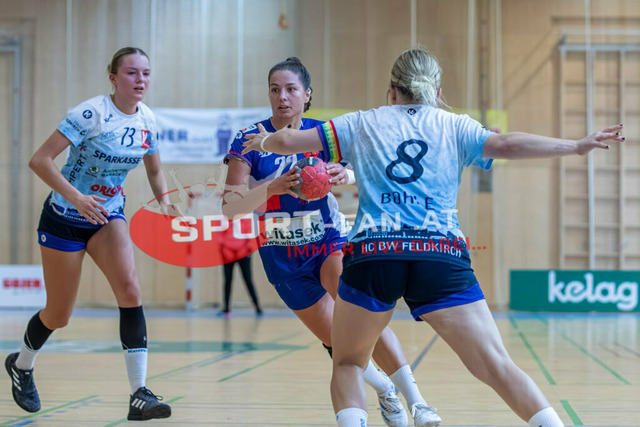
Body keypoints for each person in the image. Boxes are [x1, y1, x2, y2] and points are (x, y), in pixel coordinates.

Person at [241, 48, 625, 427]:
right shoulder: (456, 125)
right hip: (439, 255)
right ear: (437, 92)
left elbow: (288, 142)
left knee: (348, 363)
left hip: (374, 253)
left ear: (391, 91)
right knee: (496, 365)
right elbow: (508, 144)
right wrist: (575, 146)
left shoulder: (361, 122)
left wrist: (262, 143)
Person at [223, 57, 440, 427]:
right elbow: (230, 207)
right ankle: (385, 389)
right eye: (275, 89)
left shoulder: (322, 134)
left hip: (327, 240)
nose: (282, 96)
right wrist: (271, 188)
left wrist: (346, 172)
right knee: (340, 342)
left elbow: (369, 166)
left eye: (291, 89)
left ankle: (419, 403)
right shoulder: (249, 139)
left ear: (307, 94)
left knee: (362, 314)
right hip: (281, 256)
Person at [4, 47, 176, 421]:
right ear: (113, 78)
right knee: (58, 315)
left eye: (146, 73)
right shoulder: (91, 114)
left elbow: (154, 171)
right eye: (132, 72)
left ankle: (139, 394)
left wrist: (165, 203)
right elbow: (39, 160)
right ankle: (21, 364)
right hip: (65, 217)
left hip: (107, 216)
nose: (141, 80)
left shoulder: (147, 120)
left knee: (130, 291)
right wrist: (78, 198)